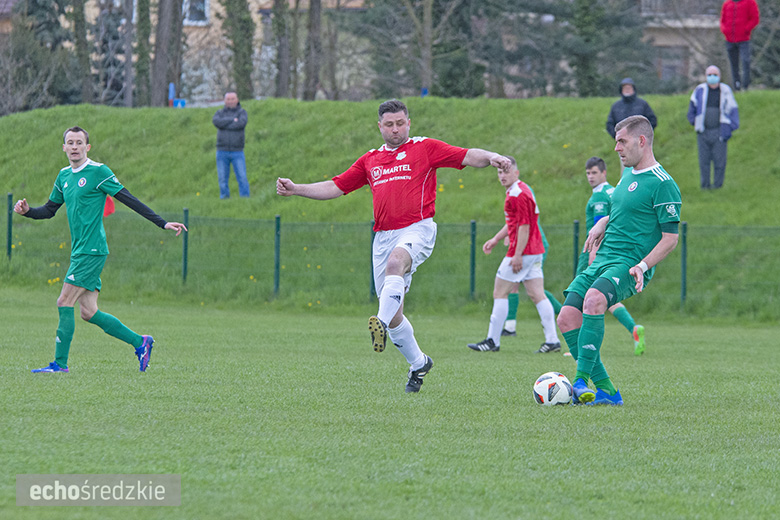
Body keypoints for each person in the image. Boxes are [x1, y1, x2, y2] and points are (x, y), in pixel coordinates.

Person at [277, 99, 510, 393]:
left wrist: (491, 156)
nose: (396, 129)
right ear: (380, 127)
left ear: (409, 123)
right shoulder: (370, 160)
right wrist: (297, 189)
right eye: (389, 124)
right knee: (396, 309)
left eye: (401, 123)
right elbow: (336, 187)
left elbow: (466, 155)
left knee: (395, 264)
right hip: (383, 236)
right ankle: (419, 362)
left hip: (417, 228)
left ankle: (381, 324)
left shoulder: (425, 148)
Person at [14, 126, 188, 373]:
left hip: (92, 250)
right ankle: (141, 342)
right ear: (64, 147)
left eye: (79, 143)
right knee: (88, 312)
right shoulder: (64, 176)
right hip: (81, 250)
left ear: (88, 147)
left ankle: (59, 365)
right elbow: (49, 210)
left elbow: (129, 198)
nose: (74, 147)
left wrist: (162, 222)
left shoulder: (98, 172)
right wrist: (28, 211)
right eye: (70, 143)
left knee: (64, 301)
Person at [557, 116, 681, 406]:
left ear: (641, 141)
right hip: (603, 258)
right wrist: (603, 222)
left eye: (622, 141)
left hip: (628, 262)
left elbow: (670, 238)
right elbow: (626, 211)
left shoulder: (664, 184)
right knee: (566, 318)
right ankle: (608, 391)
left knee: (594, 300)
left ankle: (578, 382)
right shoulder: (627, 177)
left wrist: (642, 265)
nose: (616, 148)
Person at [468, 157, 560, 354]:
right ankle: (552, 341)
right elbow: (514, 223)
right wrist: (495, 239)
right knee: (538, 295)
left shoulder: (517, 195)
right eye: (500, 172)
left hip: (523, 252)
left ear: (516, 173)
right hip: (534, 251)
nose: (502, 176)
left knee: (499, 292)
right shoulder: (520, 189)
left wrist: (517, 255)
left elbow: (524, 227)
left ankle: (492, 341)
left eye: (506, 171)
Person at [578, 156, 645, 355]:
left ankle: (584, 345)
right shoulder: (614, 191)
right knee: (605, 298)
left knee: (585, 296)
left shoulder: (600, 196)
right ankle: (633, 328)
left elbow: (599, 225)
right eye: (588, 173)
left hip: (597, 249)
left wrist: (593, 256)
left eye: (594, 173)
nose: (590, 177)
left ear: (604, 173)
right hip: (614, 250)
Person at [687, 65, 740, 190]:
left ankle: (717, 186)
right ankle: (705, 186)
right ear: (706, 76)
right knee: (704, 161)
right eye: (710, 74)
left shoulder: (726, 90)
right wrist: (694, 122)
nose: (712, 77)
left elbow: (733, 110)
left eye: (715, 74)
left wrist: (730, 127)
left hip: (719, 131)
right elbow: (692, 109)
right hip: (703, 131)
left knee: (720, 161)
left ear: (719, 76)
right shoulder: (699, 90)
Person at [213, 91, 250, 199]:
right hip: (222, 151)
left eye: (232, 99)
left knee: (242, 177)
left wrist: (225, 124)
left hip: (237, 151)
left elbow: (241, 124)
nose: (230, 101)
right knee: (222, 178)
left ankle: (245, 199)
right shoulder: (219, 113)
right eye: (228, 99)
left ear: (237, 100)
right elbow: (216, 122)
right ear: (225, 101)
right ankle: (224, 198)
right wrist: (231, 120)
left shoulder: (242, 112)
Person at [720, 0, 760, 91]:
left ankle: (745, 86)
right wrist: (725, 31)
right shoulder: (727, 4)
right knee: (734, 64)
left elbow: (755, 19)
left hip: (744, 39)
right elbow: (723, 20)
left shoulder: (750, 2)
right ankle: (736, 86)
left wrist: (746, 29)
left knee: (745, 61)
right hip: (730, 39)